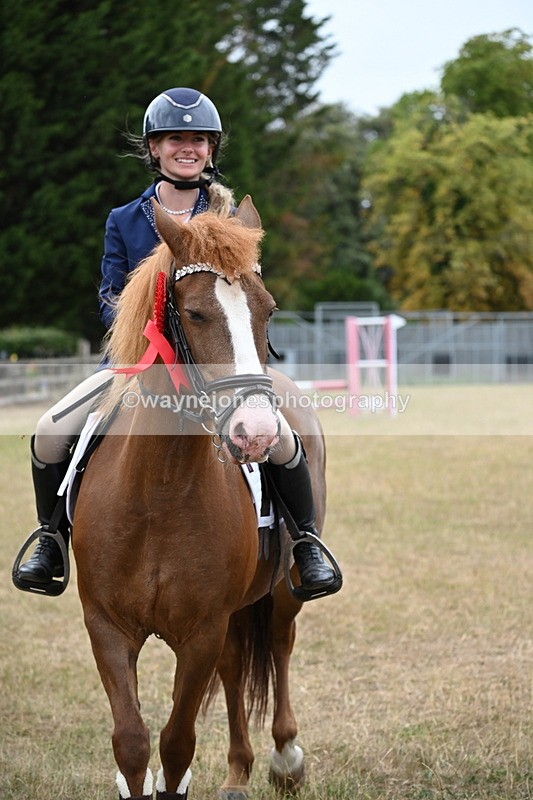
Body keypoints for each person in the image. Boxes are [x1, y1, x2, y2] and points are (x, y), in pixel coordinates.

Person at [15, 87, 339, 598]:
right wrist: (147, 336)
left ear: (211, 149)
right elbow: (110, 294)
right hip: (136, 363)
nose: (186, 148)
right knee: (48, 430)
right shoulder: (124, 220)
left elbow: (248, 294)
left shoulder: (232, 217)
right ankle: (50, 537)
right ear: (154, 148)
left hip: (227, 358)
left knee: (282, 433)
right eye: (173, 139)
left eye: (197, 140)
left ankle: (305, 542)